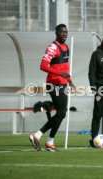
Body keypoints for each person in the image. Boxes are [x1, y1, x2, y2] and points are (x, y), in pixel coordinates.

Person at [29, 24, 74, 152]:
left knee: (62, 113)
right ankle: (37, 136)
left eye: (66, 32)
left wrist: (70, 81)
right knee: (61, 112)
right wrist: (60, 74)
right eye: (62, 32)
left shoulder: (66, 46)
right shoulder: (52, 47)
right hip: (54, 84)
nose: (64, 34)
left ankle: (49, 142)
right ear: (56, 33)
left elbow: (64, 67)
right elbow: (43, 66)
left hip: (63, 83)